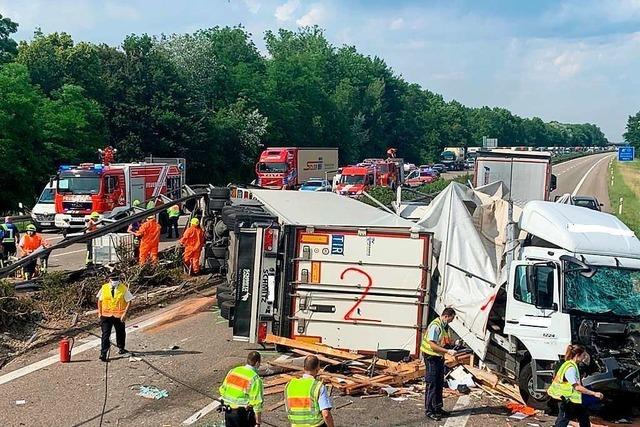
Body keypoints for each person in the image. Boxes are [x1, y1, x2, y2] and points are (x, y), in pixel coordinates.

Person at [548, 344, 604, 427]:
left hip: (572, 399)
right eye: (583, 355)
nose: (584, 358)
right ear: (577, 355)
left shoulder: (570, 364)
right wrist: (594, 393)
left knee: (583, 416)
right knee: (562, 420)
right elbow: (577, 387)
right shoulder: (570, 368)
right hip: (566, 399)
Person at [420, 307, 457, 421]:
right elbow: (432, 345)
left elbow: (443, 341)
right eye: (451, 319)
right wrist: (447, 351)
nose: (451, 321)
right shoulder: (436, 326)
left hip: (438, 357)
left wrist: (454, 343)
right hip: (431, 357)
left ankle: (437, 408)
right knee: (432, 383)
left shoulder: (443, 325)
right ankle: (429, 410)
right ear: (446, 316)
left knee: (439, 382)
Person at [284, 355, 334, 427]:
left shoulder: (289, 385)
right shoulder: (318, 386)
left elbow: (287, 407)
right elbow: (326, 414)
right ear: (318, 368)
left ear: (304, 367)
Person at [219, 351, 264, 427]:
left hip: (228, 411)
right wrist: (258, 422)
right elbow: (257, 403)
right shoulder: (255, 378)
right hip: (242, 414)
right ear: (257, 363)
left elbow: (222, 390)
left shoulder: (233, 371)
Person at [97, 272, 133, 361]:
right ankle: (103, 353)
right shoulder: (104, 288)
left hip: (119, 315)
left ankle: (121, 348)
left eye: (116, 279)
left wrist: (125, 313)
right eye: (113, 280)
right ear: (109, 279)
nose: (115, 281)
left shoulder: (123, 288)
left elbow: (129, 301)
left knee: (120, 332)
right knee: (105, 334)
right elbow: (100, 300)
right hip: (106, 315)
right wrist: (99, 312)